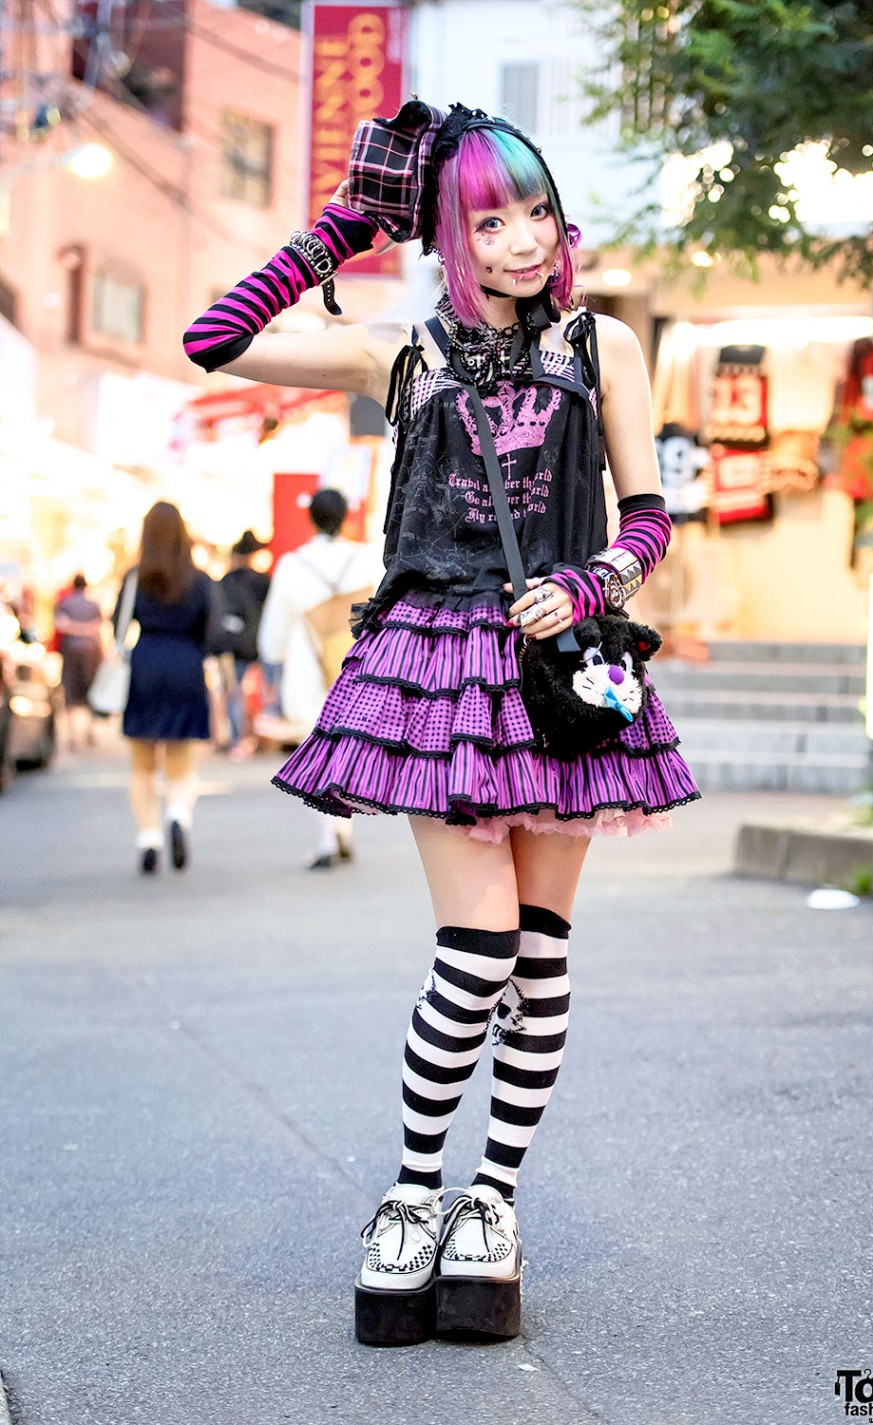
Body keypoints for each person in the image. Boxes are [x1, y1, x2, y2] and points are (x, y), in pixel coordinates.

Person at [183, 99, 700, 1345]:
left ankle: (490, 1204)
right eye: (488, 218)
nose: (523, 239)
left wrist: (592, 583)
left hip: (560, 666)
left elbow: (645, 515)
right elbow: (215, 339)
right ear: (449, 234)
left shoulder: (603, 346)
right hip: (432, 669)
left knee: (539, 953)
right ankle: (411, 1195)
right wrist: (350, 225)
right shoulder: (399, 352)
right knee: (470, 957)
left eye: (534, 209)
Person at [257, 489, 377, 868]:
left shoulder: (294, 565)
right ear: (345, 517)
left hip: (308, 666)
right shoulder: (365, 559)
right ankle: (345, 830)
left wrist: (272, 662)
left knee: (317, 747)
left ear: (311, 518)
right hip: (357, 663)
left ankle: (327, 838)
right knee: (348, 750)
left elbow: (274, 633)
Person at [116, 501, 215, 875]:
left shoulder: (133, 578)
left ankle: (148, 838)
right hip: (186, 664)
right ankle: (177, 813)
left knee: (142, 766)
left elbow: (118, 631)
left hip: (145, 664)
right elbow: (212, 632)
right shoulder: (200, 580)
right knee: (180, 762)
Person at [212, 530, 270, 759]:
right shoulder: (263, 581)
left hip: (229, 644)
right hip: (257, 643)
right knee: (261, 691)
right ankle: (259, 737)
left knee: (232, 691)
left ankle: (237, 738)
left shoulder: (225, 581)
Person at [54, 574, 103, 751]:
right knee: (91, 690)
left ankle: (72, 734)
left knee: (70, 690)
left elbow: (61, 624)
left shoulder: (65, 603)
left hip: (71, 650)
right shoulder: (93, 604)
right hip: (91, 650)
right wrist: (86, 630)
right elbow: (98, 626)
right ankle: (90, 731)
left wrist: (75, 629)